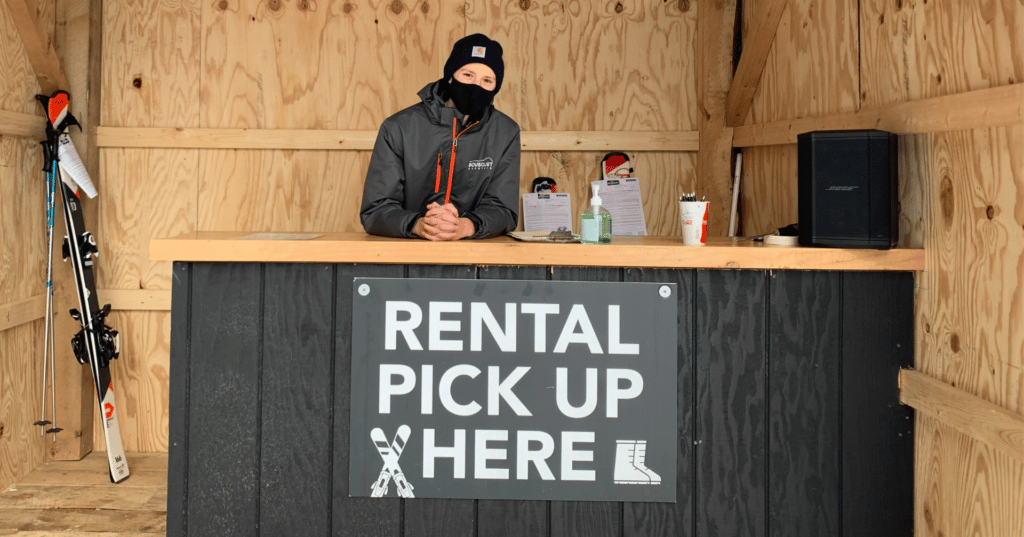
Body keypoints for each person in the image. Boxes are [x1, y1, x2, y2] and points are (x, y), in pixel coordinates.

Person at [360, 34, 521, 240]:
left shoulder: (506, 132)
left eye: (487, 80)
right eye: (468, 74)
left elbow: (503, 209)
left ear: (495, 88)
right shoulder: (399, 127)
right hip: (407, 254)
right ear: (451, 75)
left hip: (475, 256)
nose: (476, 85)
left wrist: (466, 226)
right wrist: (419, 225)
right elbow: (376, 209)